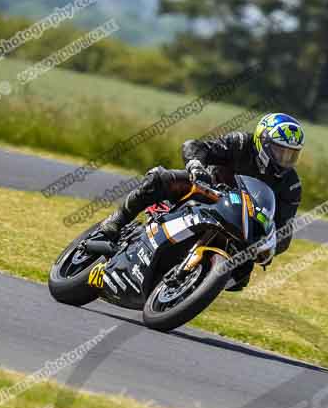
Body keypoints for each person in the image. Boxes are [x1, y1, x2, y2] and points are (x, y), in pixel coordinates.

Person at [97, 113, 305, 290]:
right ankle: (117, 221)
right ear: (262, 142)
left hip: (242, 225)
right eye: (280, 152)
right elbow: (195, 146)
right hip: (208, 192)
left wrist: (270, 247)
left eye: (291, 155)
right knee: (160, 179)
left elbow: (284, 229)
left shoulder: (290, 184)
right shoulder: (242, 143)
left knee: (241, 275)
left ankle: (188, 286)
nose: (284, 160)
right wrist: (196, 166)